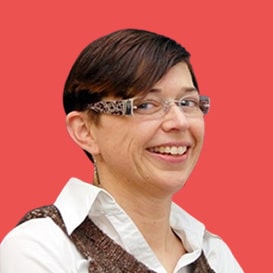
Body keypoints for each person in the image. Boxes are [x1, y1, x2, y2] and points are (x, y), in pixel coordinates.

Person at [0, 28, 244, 273]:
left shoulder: (215, 255)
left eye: (188, 103)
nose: (179, 122)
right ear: (85, 130)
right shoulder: (41, 249)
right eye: (147, 104)